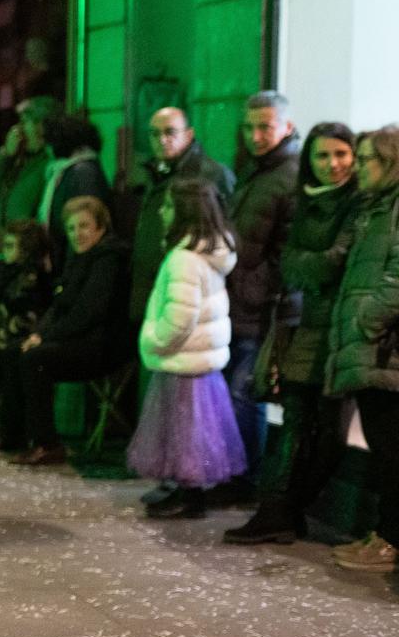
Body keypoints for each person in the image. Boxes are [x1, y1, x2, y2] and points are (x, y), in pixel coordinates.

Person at [223, 124, 358, 545]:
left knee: (330, 432)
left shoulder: (358, 206)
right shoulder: (305, 203)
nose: (332, 164)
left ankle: (289, 508)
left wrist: (313, 264)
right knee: (297, 421)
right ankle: (275, 511)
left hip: (343, 330)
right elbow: (293, 265)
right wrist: (313, 265)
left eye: (341, 154)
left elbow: (332, 263)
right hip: (304, 326)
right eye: (322, 156)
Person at [128, 178, 244, 517]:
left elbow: (180, 317)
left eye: (168, 206)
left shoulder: (184, 259)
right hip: (198, 361)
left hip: (183, 359)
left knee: (184, 432)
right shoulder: (207, 253)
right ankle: (184, 490)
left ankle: (189, 496)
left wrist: (155, 340)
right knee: (192, 432)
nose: (162, 212)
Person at [0, 197, 131, 464]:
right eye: (71, 228)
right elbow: (60, 306)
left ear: (100, 227)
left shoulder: (108, 260)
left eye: (84, 226)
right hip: (78, 338)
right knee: (13, 350)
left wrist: (44, 338)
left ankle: (47, 443)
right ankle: (12, 433)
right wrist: (37, 334)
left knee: (35, 360)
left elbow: (88, 313)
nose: (77, 234)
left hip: (103, 345)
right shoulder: (79, 257)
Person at [324, 127, 399, 573]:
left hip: (384, 351)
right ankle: (384, 533)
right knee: (384, 447)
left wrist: (366, 321)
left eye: (367, 158)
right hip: (373, 350)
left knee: (392, 450)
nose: (357, 166)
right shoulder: (375, 208)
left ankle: (391, 541)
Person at [223, 91, 301, 494]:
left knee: (244, 393)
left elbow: (284, 252)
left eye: (265, 126)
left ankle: (246, 478)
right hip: (240, 300)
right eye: (250, 127)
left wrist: (260, 291)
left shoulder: (289, 176)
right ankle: (238, 474)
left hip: (261, 305)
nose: (256, 135)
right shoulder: (257, 170)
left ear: (286, 127)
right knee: (239, 391)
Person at [125, 107, 234, 325]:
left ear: (189, 134)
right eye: (154, 134)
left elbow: (224, 231)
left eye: (170, 132)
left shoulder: (210, 174)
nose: (162, 140)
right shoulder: (155, 173)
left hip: (187, 292)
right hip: (155, 288)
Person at [0, 220, 52, 388]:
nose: (5, 251)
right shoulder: (6, 271)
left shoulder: (29, 277)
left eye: (11, 246)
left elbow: (22, 303)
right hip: (5, 329)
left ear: (26, 250)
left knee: (11, 364)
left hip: (19, 330)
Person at [34, 109, 110, 271]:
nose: (46, 148)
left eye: (48, 141)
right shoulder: (67, 171)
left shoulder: (82, 173)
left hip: (76, 264)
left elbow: (83, 222)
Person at [0, 96, 55, 238]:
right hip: (6, 245)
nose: (18, 129)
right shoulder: (16, 160)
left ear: (40, 126)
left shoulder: (50, 163)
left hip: (27, 248)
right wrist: (6, 155)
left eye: (24, 122)